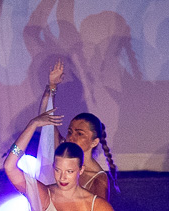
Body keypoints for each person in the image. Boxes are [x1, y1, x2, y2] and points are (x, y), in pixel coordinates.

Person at [35, 59, 118, 201]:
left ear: (94, 142)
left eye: (80, 134)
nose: (71, 137)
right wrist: (52, 86)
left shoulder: (98, 179)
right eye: (70, 132)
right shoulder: (62, 149)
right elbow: (45, 119)